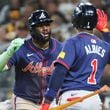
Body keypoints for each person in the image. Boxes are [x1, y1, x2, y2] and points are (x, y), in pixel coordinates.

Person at [40, 3, 110, 110]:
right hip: (94, 99)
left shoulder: (73, 42)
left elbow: (60, 71)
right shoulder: (105, 45)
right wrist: (105, 32)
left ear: (75, 20)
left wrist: (48, 100)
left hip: (73, 99)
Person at [0, 9, 62, 110]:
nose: (45, 28)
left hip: (50, 101)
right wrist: (8, 52)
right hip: (25, 101)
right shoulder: (21, 47)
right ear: (32, 29)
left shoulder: (60, 48)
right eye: (40, 26)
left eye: (47, 24)